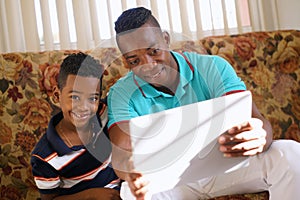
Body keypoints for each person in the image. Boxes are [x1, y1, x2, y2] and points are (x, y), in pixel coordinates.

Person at [107, 7, 300, 200]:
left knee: (289, 152)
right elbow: (121, 156)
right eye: (134, 60)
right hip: (171, 182)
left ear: (166, 39)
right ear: (125, 61)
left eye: (154, 51)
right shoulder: (120, 93)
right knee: (129, 192)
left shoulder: (213, 67)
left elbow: (258, 122)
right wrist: (131, 171)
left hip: (227, 169)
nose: (148, 64)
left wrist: (260, 136)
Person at [31, 52, 121, 200]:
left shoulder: (104, 113)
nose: (83, 107)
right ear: (56, 95)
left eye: (92, 98)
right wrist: (92, 195)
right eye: (75, 97)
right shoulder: (45, 156)